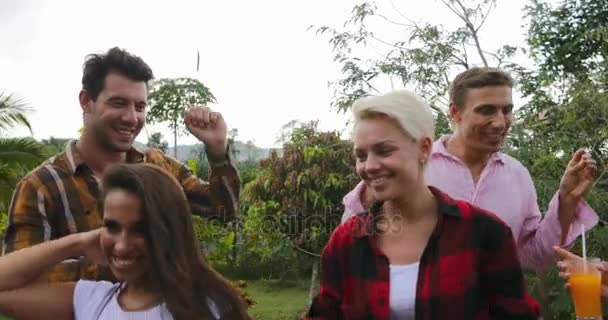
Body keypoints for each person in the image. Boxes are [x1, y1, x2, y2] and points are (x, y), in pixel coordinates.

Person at [2, 47, 240, 282]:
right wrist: (121, 267)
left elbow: (223, 212)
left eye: (140, 106)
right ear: (87, 101)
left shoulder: (157, 165)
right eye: (118, 103)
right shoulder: (41, 187)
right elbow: (19, 277)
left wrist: (217, 152)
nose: (131, 118)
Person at [307, 90, 539, 319]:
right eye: (361, 156)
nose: (369, 166)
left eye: (384, 151)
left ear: (424, 148)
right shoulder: (347, 241)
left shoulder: (484, 232)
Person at [341, 67, 598, 270]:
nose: (500, 122)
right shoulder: (414, 164)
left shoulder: (517, 175)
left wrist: (566, 200)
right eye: (486, 110)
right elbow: (350, 244)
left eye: (506, 110)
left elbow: (535, 258)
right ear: (455, 112)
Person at [0, 163, 251, 319]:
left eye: (140, 230)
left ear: (169, 231)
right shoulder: (92, 301)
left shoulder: (210, 307)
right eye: (112, 227)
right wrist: (75, 243)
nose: (121, 245)